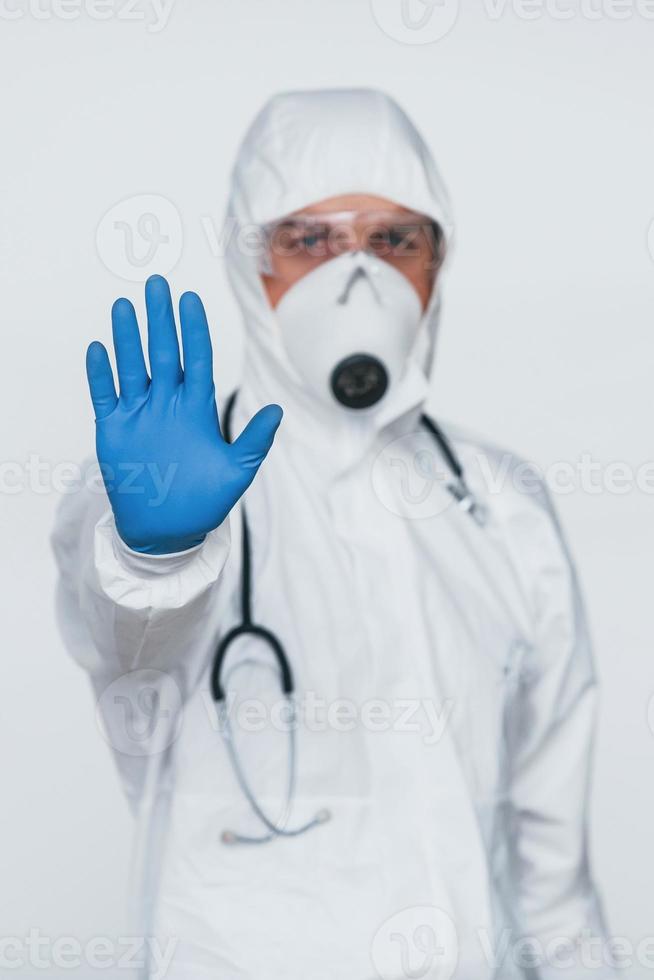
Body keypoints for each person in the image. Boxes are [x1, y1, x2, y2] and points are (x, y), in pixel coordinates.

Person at [52, 88, 617, 980]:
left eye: (395, 240)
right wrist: (150, 553)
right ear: (251, 262)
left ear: (439, 261)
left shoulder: (503, 507)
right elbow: (125, 648)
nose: (359, 277)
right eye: (311, 240)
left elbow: (555, 882)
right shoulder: (170, 493)